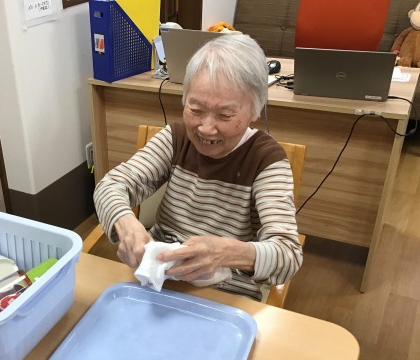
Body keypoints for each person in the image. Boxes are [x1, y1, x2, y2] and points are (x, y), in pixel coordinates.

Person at [93, 33, 303, 300]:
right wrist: (126, 226)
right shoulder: (176, 139)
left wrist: (224, 253)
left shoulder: (266, 160)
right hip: (159, 280)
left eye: (225, 115)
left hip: (226, 294)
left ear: (255, 110)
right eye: (196, 109)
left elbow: (288, 255)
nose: (206, 128)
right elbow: (110, 186)